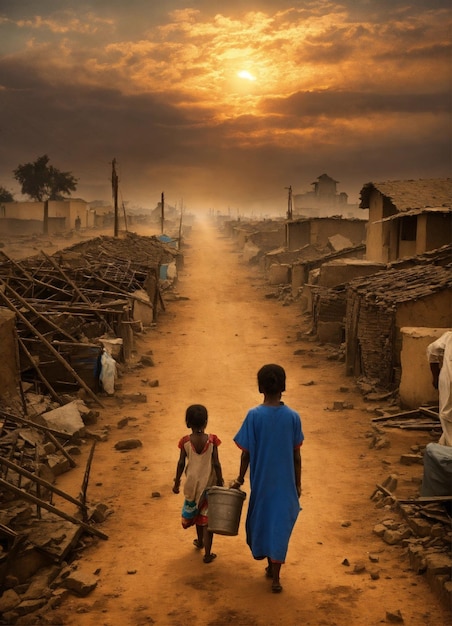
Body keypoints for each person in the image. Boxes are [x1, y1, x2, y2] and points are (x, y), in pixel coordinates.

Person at [231, 364, 304, 593]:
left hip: (262, 484)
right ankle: (275, 573)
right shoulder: (293, 417)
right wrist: (298, 483)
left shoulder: (254, 416)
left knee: (263, 523)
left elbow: (246, 454)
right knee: (279, 525)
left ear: (260, 387)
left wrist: (240, 479)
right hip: (285, 484)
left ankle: (273, 571)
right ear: (283, 386)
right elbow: (296, 456)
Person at [172, 404, 224, 563]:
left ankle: (199, 541)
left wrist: (177, 482)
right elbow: (216, 463)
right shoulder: (213, 440)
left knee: (196, 515)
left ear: (188, 423)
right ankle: (207, 554)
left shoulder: (185, 442)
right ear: (206, 422)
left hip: (192, 486)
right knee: (207, 520)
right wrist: (220, 480)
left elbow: (181, 463)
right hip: (209, 486)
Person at [427, 330, 452, 446]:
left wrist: (435, 375)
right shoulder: (449, 337)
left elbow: (432, 350)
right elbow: (432, 350)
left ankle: (446, 443)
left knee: (447, 413)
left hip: (447, 379)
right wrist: (435, 376)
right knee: (447, 412)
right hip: (448, 378)